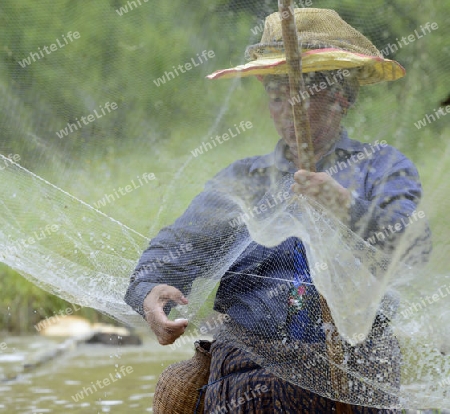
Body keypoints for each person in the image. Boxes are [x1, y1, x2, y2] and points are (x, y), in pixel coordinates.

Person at [125, 8, 431, 413]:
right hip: (248, 379)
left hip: (355, 377)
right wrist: (152, 289)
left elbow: (411, 248)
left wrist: (344, 206)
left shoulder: (383, 168)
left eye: (304, 92)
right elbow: (175, 248)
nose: (287, 107)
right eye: (276, 94)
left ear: (342, 97)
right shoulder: (243, 181)